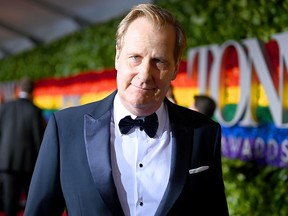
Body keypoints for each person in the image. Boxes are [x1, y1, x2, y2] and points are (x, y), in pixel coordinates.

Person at [24, 3, 229, 216]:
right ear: (117, 57)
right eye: (135, 58)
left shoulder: (204, 133)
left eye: (158, 61)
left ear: (175, 68)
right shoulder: (65, 129)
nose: (144, 74)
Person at [0, 77, 46, 216]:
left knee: (9, 204)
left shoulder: (5, 107)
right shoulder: (35, 111)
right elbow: (39, 141)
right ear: (33, 91)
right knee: (31, 203)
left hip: (6, 162)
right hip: (29, 165)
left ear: (18, 89)